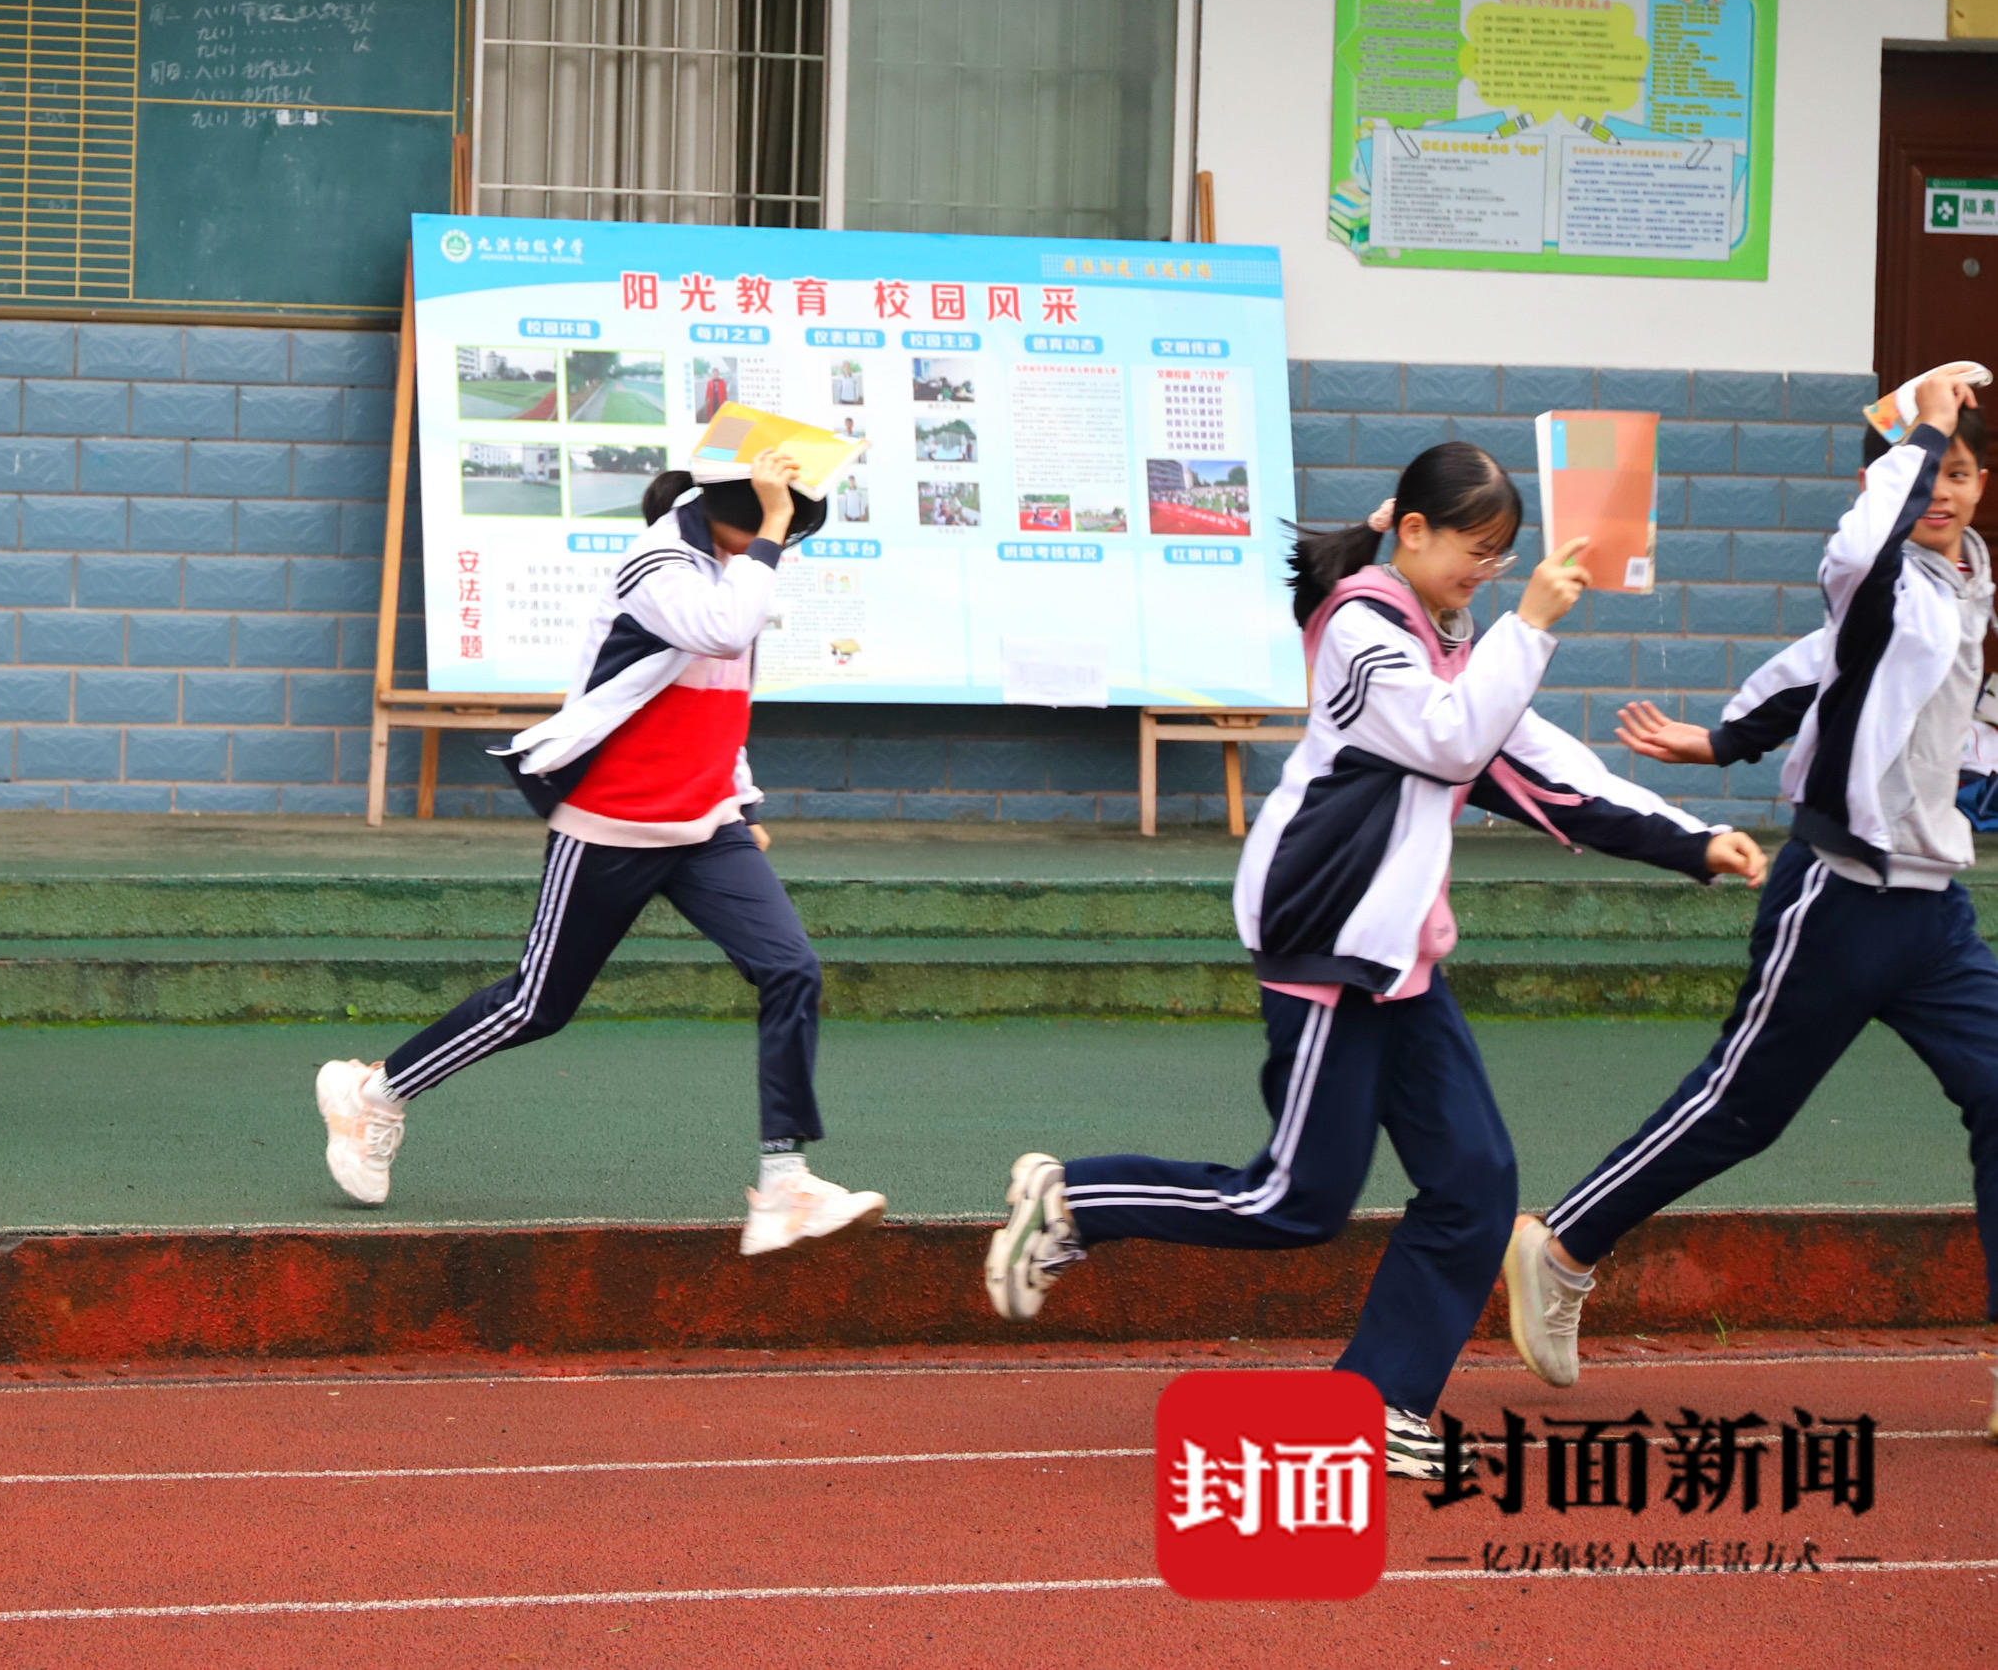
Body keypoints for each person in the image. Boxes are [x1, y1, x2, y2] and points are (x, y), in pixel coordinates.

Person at [979, 441, 1764, 1476]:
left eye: (1499, 557)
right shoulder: (1360, 626)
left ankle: (1381, 1398)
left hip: (1396, 953)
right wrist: (1529, 622)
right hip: (1325, 939)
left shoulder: (1450, 635)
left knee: (1475, 1180)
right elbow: (1449, 740)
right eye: (1472, 550)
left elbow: (1536, 763)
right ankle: (1077, 1197)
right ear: (1412, 532)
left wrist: (1688, 838)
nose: (1484, 571)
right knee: (1294, 1199)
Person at [1503, 371, 1998, 1441]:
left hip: (1930, 912)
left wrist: (1726, 736)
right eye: (1923, 476)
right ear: (1890, 482)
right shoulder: (1877, 575)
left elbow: (1826, 678)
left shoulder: (1966, 581)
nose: (1940, 494)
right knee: (1740, 1107)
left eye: (1958, 473)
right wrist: (1919, 429)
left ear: (1981, 483)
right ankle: (1558, 1245)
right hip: (1835, 897)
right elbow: (1841, 603)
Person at [310, 451, 889, 1257]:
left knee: (791, 967)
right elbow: (722, 628)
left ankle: (784, 1183)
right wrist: (773, 528)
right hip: (612, 820)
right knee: (534, 1006)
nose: (781, 545)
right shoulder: (659, 558)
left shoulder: (735, 570)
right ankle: (373, 1093)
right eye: (775, 527)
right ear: (736, 511)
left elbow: (721, 698)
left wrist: (741, 800)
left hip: (705, 822)